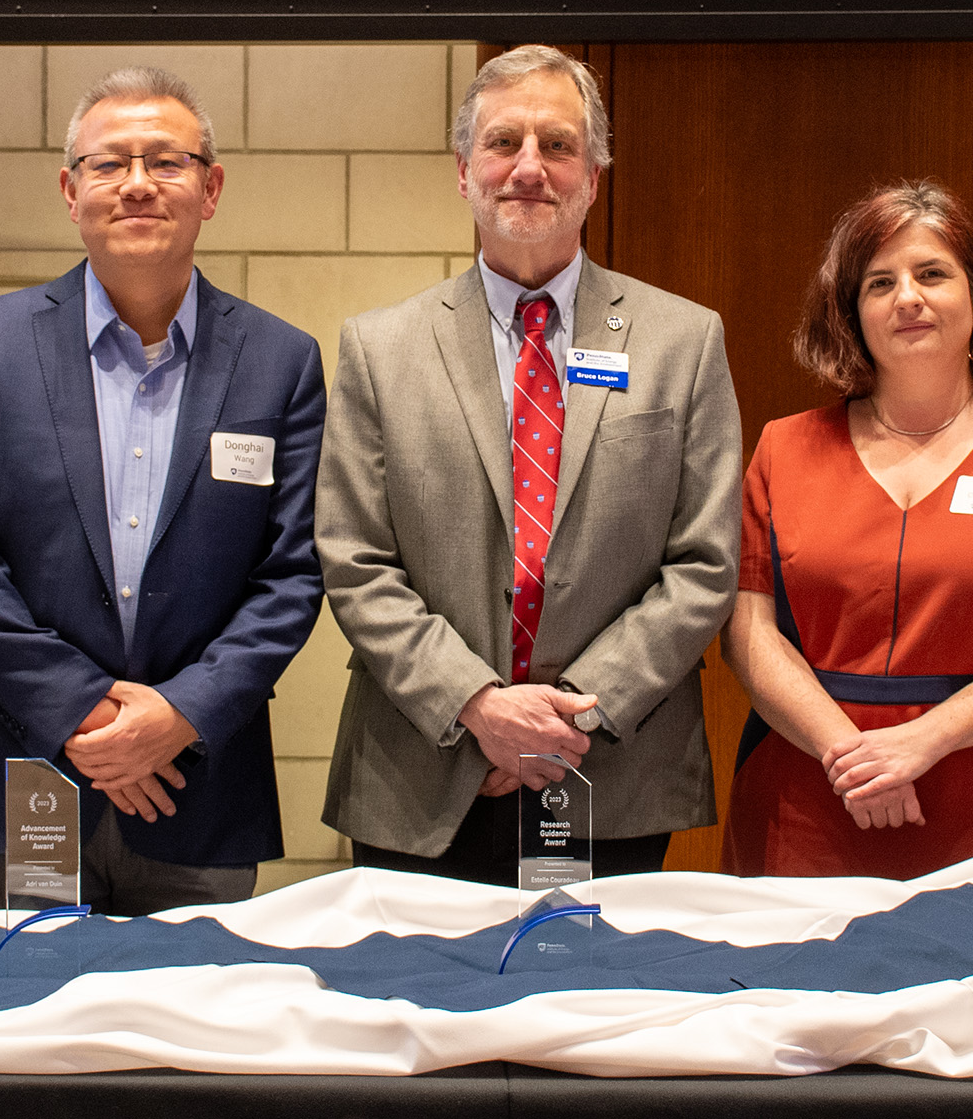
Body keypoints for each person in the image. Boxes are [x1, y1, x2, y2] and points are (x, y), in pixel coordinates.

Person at [317, 44, 740, 882]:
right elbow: (354, 559)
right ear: (464, 170)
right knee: (418, 1012)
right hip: (421, 774)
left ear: (594, 175)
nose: (528, 168)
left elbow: (704, 562)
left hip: (613, 773)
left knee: (599, 1010)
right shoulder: (381, 346)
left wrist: (567, 717)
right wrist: (478, 706)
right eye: (504, 143)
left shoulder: (682, 343)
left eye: (557, 145)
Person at [0, 66, 324, 914]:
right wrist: (83, 714)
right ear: (71, 190)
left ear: (210, 189)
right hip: (20, 776)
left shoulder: (282, 363)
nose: (138, 184)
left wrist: (177, 717)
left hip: (195, 787)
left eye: (166, 162)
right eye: (110, 164)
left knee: (187, 1034)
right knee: (18, 1026)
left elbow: (292, 576)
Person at [719, 181, 973, 879]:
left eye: (932, 273)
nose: (908, 296)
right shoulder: (783, 448)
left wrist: (922, 742)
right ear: (853, 312)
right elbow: (749, 635)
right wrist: (849, 752)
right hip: (809, 794)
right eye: (880, 282)